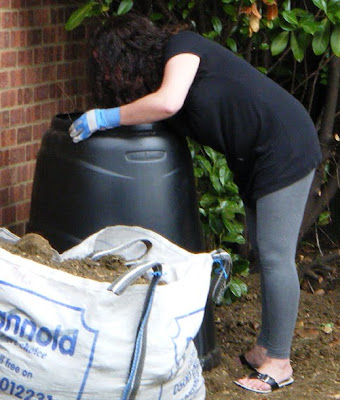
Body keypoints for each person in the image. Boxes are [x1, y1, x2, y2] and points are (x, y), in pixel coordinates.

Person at [69, 13, 322, 394]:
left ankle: (279, 362)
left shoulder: (182, 48)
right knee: (264, 250)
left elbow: (168, 104)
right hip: (255, 158)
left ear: (130, 53)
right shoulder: (162, 79)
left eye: (112, 65)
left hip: (283, 144)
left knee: (275, 255)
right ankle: (265, 348)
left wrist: (105, 118)